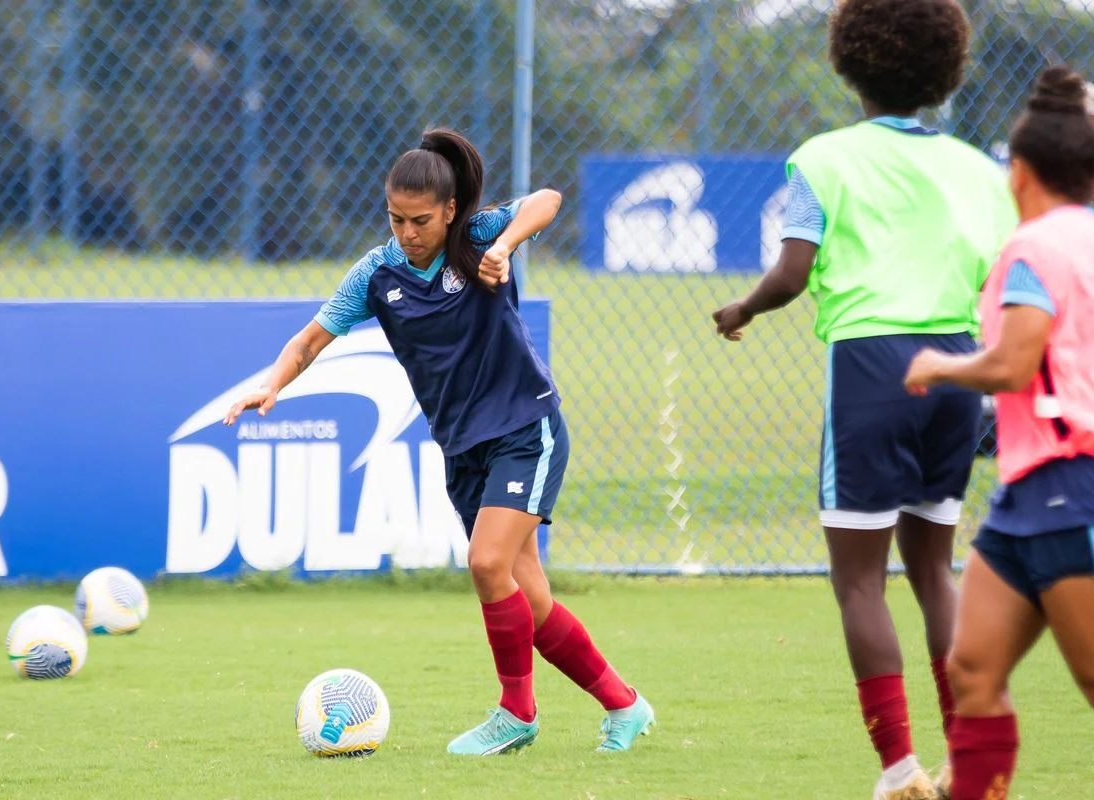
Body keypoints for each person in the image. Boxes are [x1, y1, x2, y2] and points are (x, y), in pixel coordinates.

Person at [224, 128, 654, 756]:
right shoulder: (376, 273)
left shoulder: (477, 238)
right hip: (463, 448)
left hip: (523, 428)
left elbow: (549, 199)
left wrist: (505, 246)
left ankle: (518, 713)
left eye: (419, 219)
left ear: (450, 211)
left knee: (486, 564)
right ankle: (625, 705)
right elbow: (309, 341)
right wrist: (272, 386)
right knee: (528, 600)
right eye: (395, 218)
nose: (407, 232)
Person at [711, 1, 1018, 796]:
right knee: (935, 571)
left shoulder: (823, 157)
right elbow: (1001, 281)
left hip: (871, 370)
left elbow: (791, 274)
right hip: (956, 369)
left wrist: (742, 310)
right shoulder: (980, 173)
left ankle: (900, 769)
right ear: (945, 66)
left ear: (848, 60)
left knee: (858, 580)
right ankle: (966, 764)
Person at [904, 65, 1094, 800]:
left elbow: (1016, 363)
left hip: (1069, 487)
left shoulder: (1035, 247)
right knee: (973, 669)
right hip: (1026, 496)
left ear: (1018, 172)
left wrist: (939, 367)